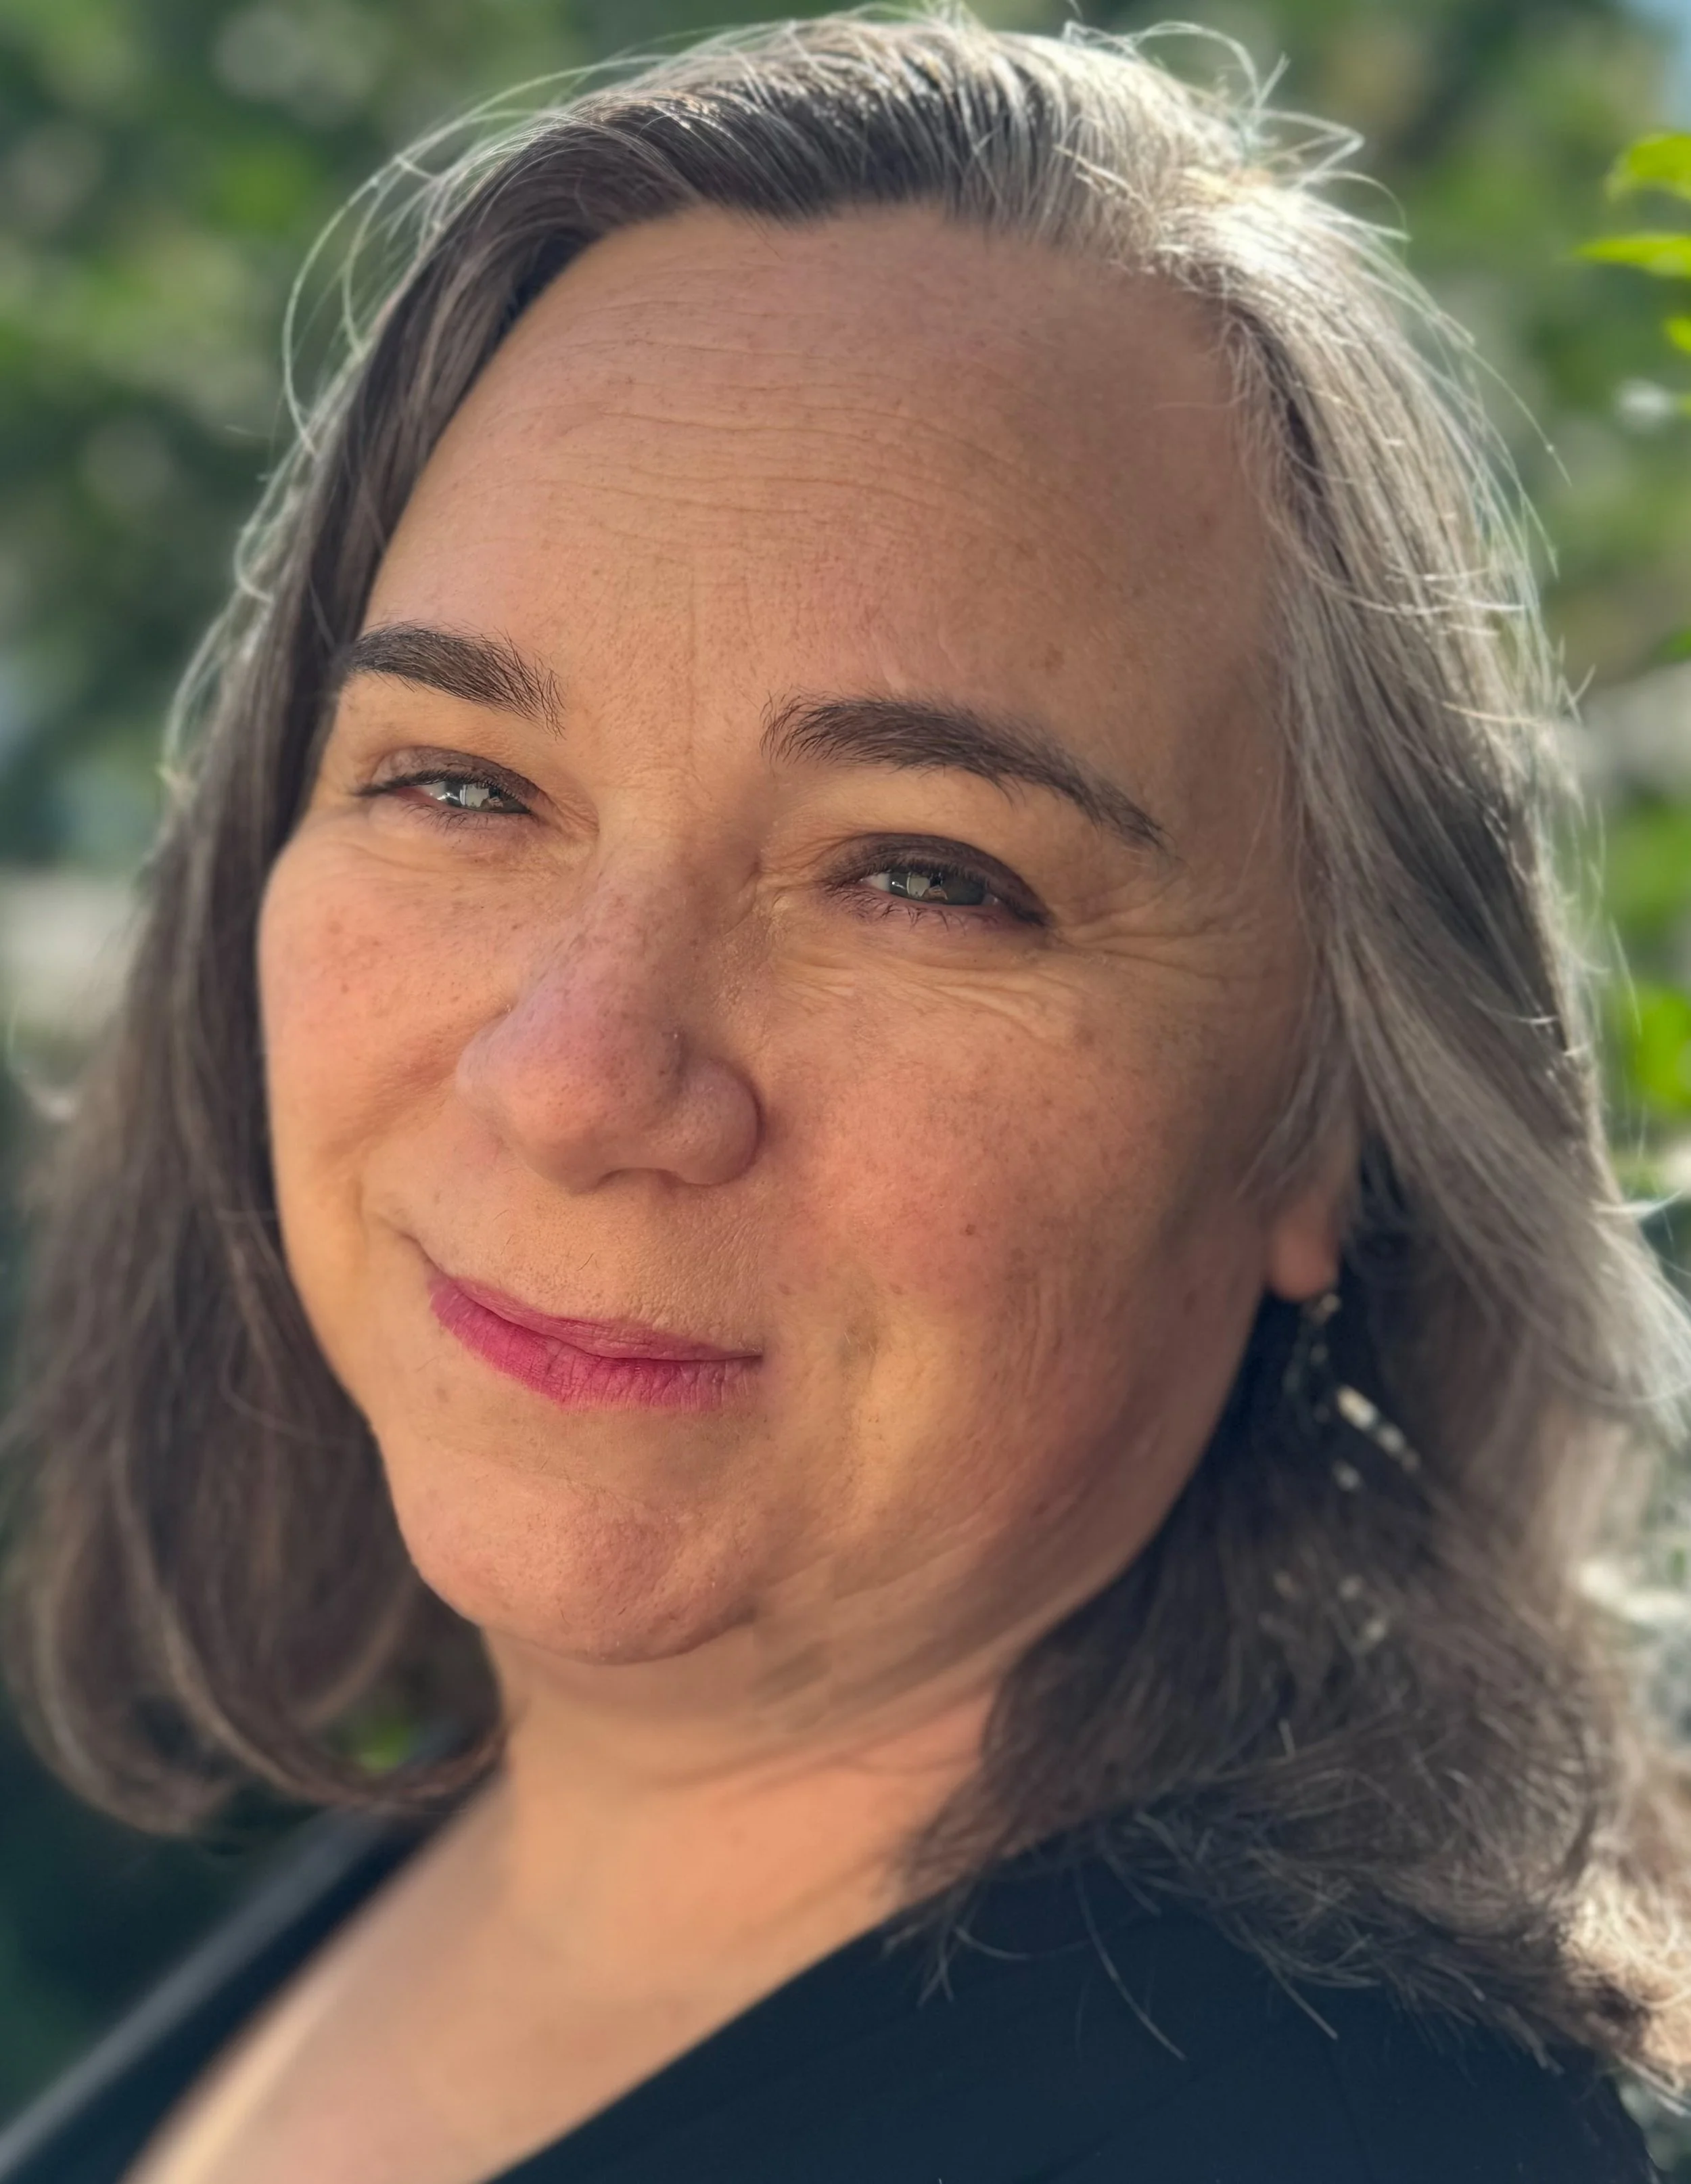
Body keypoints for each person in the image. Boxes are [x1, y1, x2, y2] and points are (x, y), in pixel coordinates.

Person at [1, 10, 1688, 2181]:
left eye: (921, 874)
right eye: (458, 781)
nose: (579, 1073)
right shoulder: (478, 1852)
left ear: (1326, 1117)